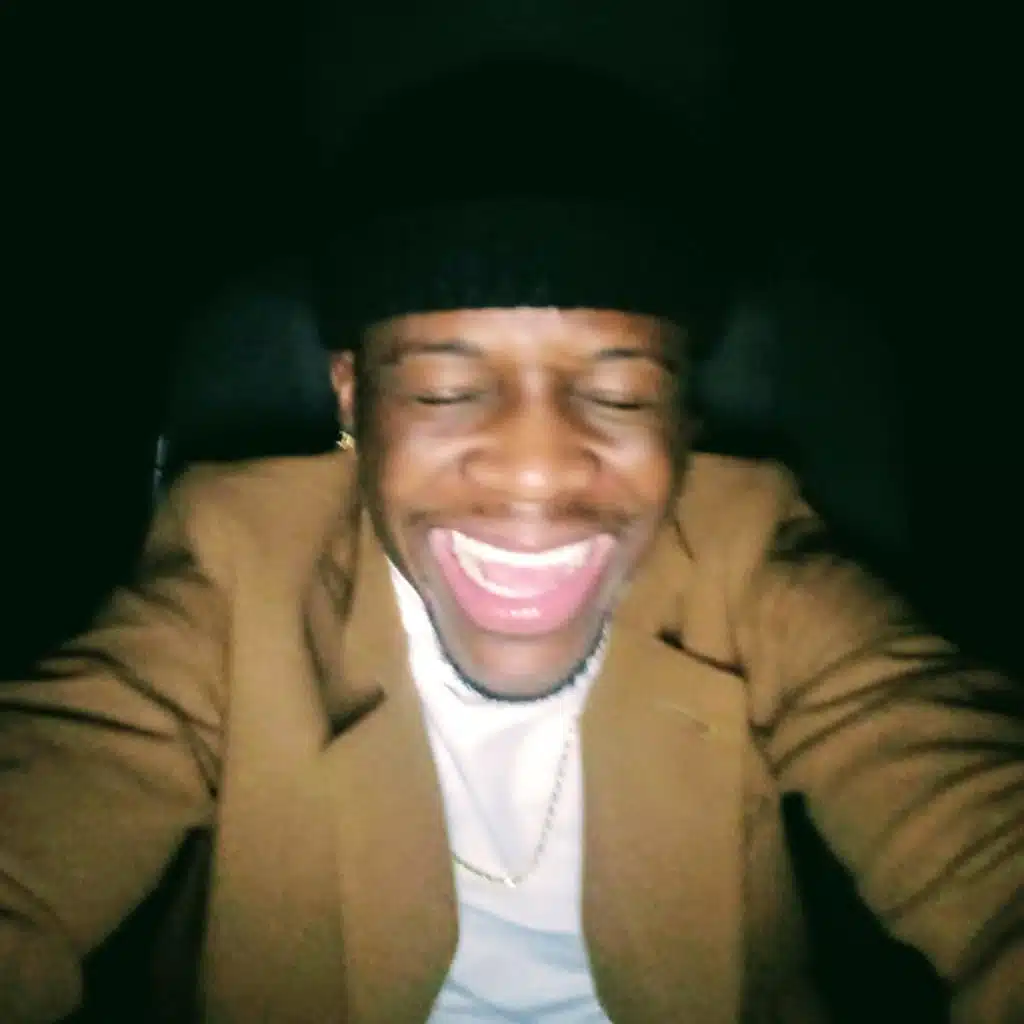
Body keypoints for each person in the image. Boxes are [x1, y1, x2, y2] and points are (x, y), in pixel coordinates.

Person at [1, 58, 1021, 1024]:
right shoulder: (240, 563)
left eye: (621, 394)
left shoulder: (749, 562)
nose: (536, 471)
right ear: (352, 399)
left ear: (683, 423)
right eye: (446, 389)